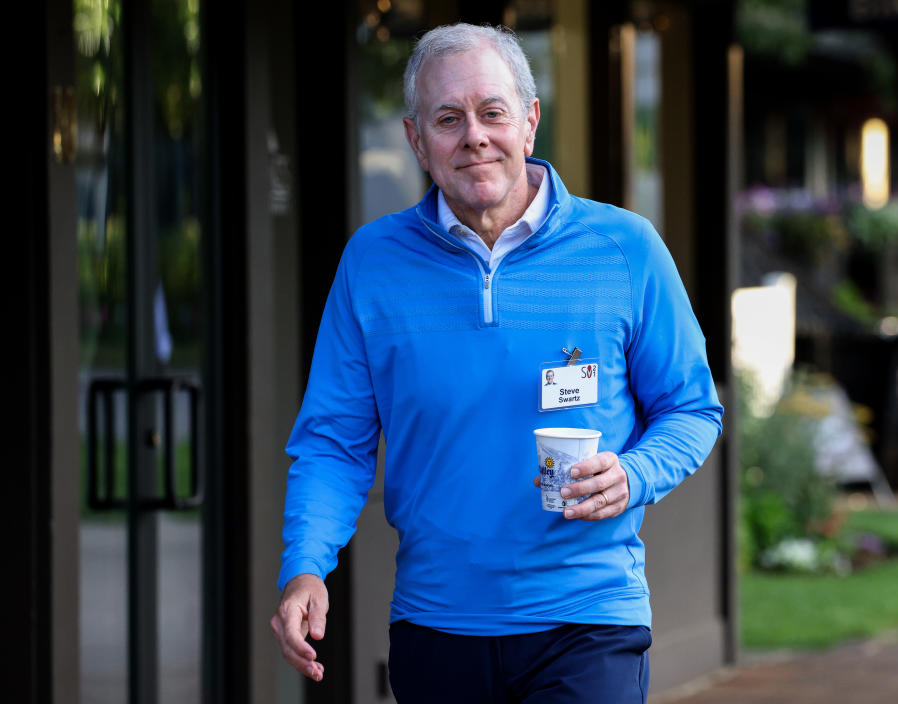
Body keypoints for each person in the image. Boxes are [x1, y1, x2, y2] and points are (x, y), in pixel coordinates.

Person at [270, 23, 723, 702]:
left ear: (530, 123)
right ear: (417, 140)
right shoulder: (373, 263)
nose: (474, 136)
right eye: (448, 119)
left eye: (492, 112)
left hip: (588, 616)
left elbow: (691, 409)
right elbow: (334, 442)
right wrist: (305, 568)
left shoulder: (624, 249)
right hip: (436, 622)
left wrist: (635, 474)